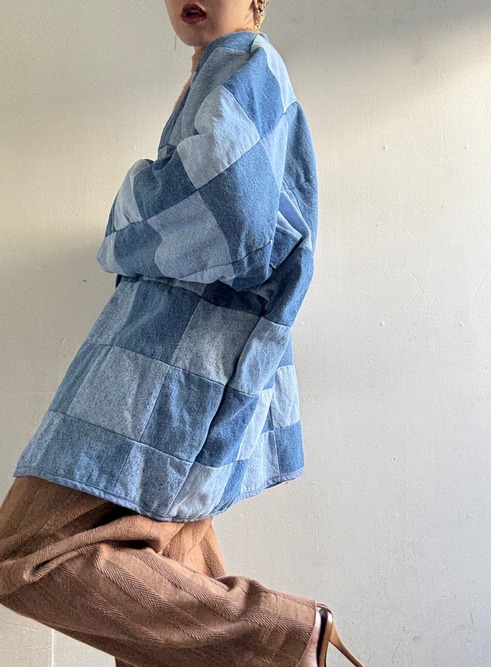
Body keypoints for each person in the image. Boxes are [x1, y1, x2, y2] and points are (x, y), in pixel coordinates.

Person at [0, 1, 366, 666]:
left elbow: (226, 209)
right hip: (183, 358)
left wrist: (129, 199)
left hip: (174, 362)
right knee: (167, 578)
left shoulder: (248, 63)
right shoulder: (223, 70)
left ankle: (285, 639)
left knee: (26, 550)